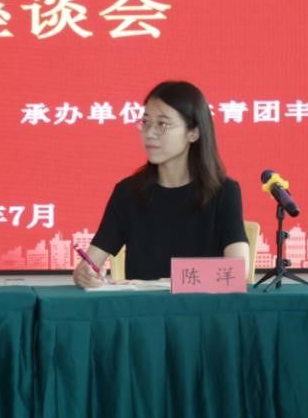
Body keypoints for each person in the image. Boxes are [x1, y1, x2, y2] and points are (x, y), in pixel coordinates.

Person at [73, 80, 249, 286]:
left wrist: (170, 282)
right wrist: (84, 274)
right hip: (144, 306)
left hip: (202, 305)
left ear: (193, 132)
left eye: (162, 124)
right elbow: (89, 264)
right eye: (146, 122)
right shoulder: (128, 192)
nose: (149, 133)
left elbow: (237, 271)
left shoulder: (223, 191)